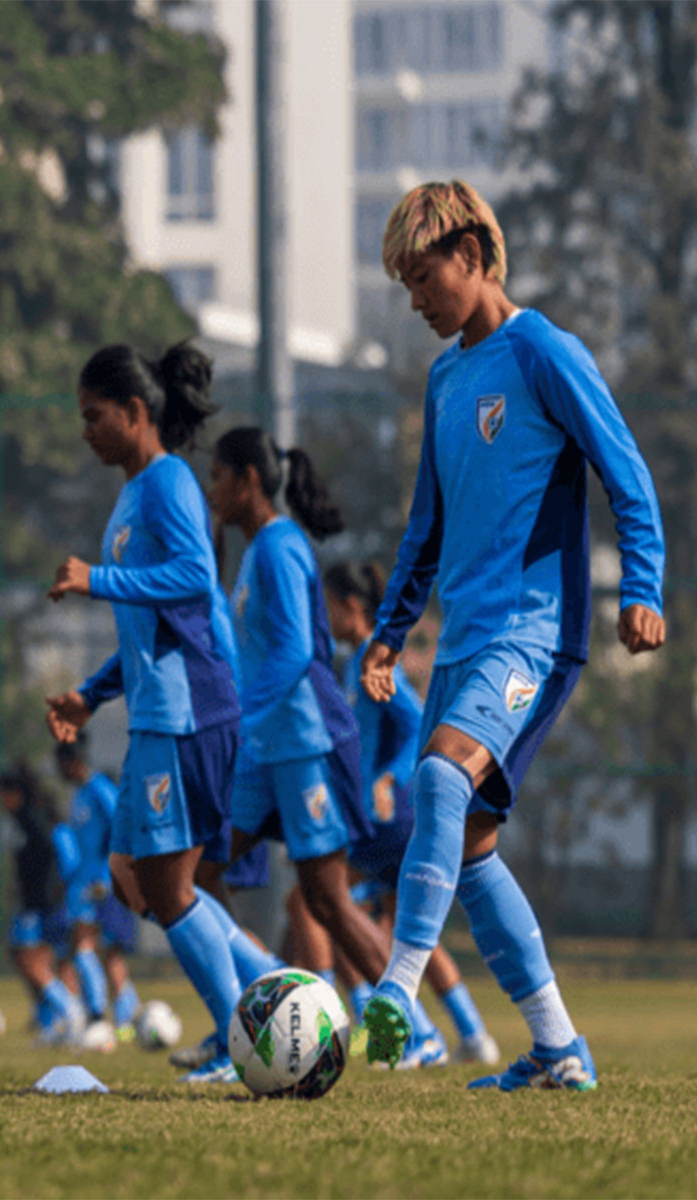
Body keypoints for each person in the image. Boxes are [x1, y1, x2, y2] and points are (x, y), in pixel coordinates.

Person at [360, 180, 664, 1091]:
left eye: (424, 278)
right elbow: (426, 527)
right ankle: (559, 1051)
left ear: (475, 257)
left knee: (439, 776)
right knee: (472, 845)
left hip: (535, 637)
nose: (416, 301)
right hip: (460, 646)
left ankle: (399, 988)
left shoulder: (543, 352)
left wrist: (641, 588)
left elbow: (628, 474)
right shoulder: (447, 378)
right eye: (406, 285)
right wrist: (387, 635)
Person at [43, 341, 250, 1084]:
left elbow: (196, 578)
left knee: (166, 885)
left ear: (135, 413)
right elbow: (146, 625)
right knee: (131, 874)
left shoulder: (167, 483)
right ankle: (271, 996)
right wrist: (90, 695)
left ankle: (242, 1041)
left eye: (94, 416)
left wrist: (97, 577)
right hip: (155, 711)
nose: (85, 430)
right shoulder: (132, 495)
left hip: (189, 709)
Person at [202, 427, 405, 1039]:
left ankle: (411, 1022)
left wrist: (241, 718)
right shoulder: (255, 551)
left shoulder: (280, 546)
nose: (211, 490)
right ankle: (246, 1013)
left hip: (301, 748)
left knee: (328, 902)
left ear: (248, 481)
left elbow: (294, 652)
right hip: (265, 752)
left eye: (218, 477)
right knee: (198, 873)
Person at [299, 560, 499, 1065]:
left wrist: (388, 776)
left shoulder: (371, 659)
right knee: (406, 931)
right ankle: (470, 1033)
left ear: (349, 607)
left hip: (388, 816)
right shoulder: (353, 664)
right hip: (373, 816)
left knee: (318, 904)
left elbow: (414, 724)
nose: (324, 616)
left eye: (327, 606)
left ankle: (398, 1030)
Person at [52, 737, 140, 1032]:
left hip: (101, 882)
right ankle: (124, 1017)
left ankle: (101, 1015)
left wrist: (109, 874)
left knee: (88, 946)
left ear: (71, 762)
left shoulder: (100, 788)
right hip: (83, 882)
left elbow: (122, 825)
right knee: (97, 950)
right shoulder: (79, 796)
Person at [0, 764, 85, 1042]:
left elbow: (48, 853)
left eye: (4, 795)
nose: (1, 802)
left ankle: (69, 1010)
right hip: (35, 901)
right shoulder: (23, 819)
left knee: (28, 958)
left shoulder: (31, 819)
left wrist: (44, 889)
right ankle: (51, 1021)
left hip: (39, 903)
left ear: (15, 794)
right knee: (41, 958)